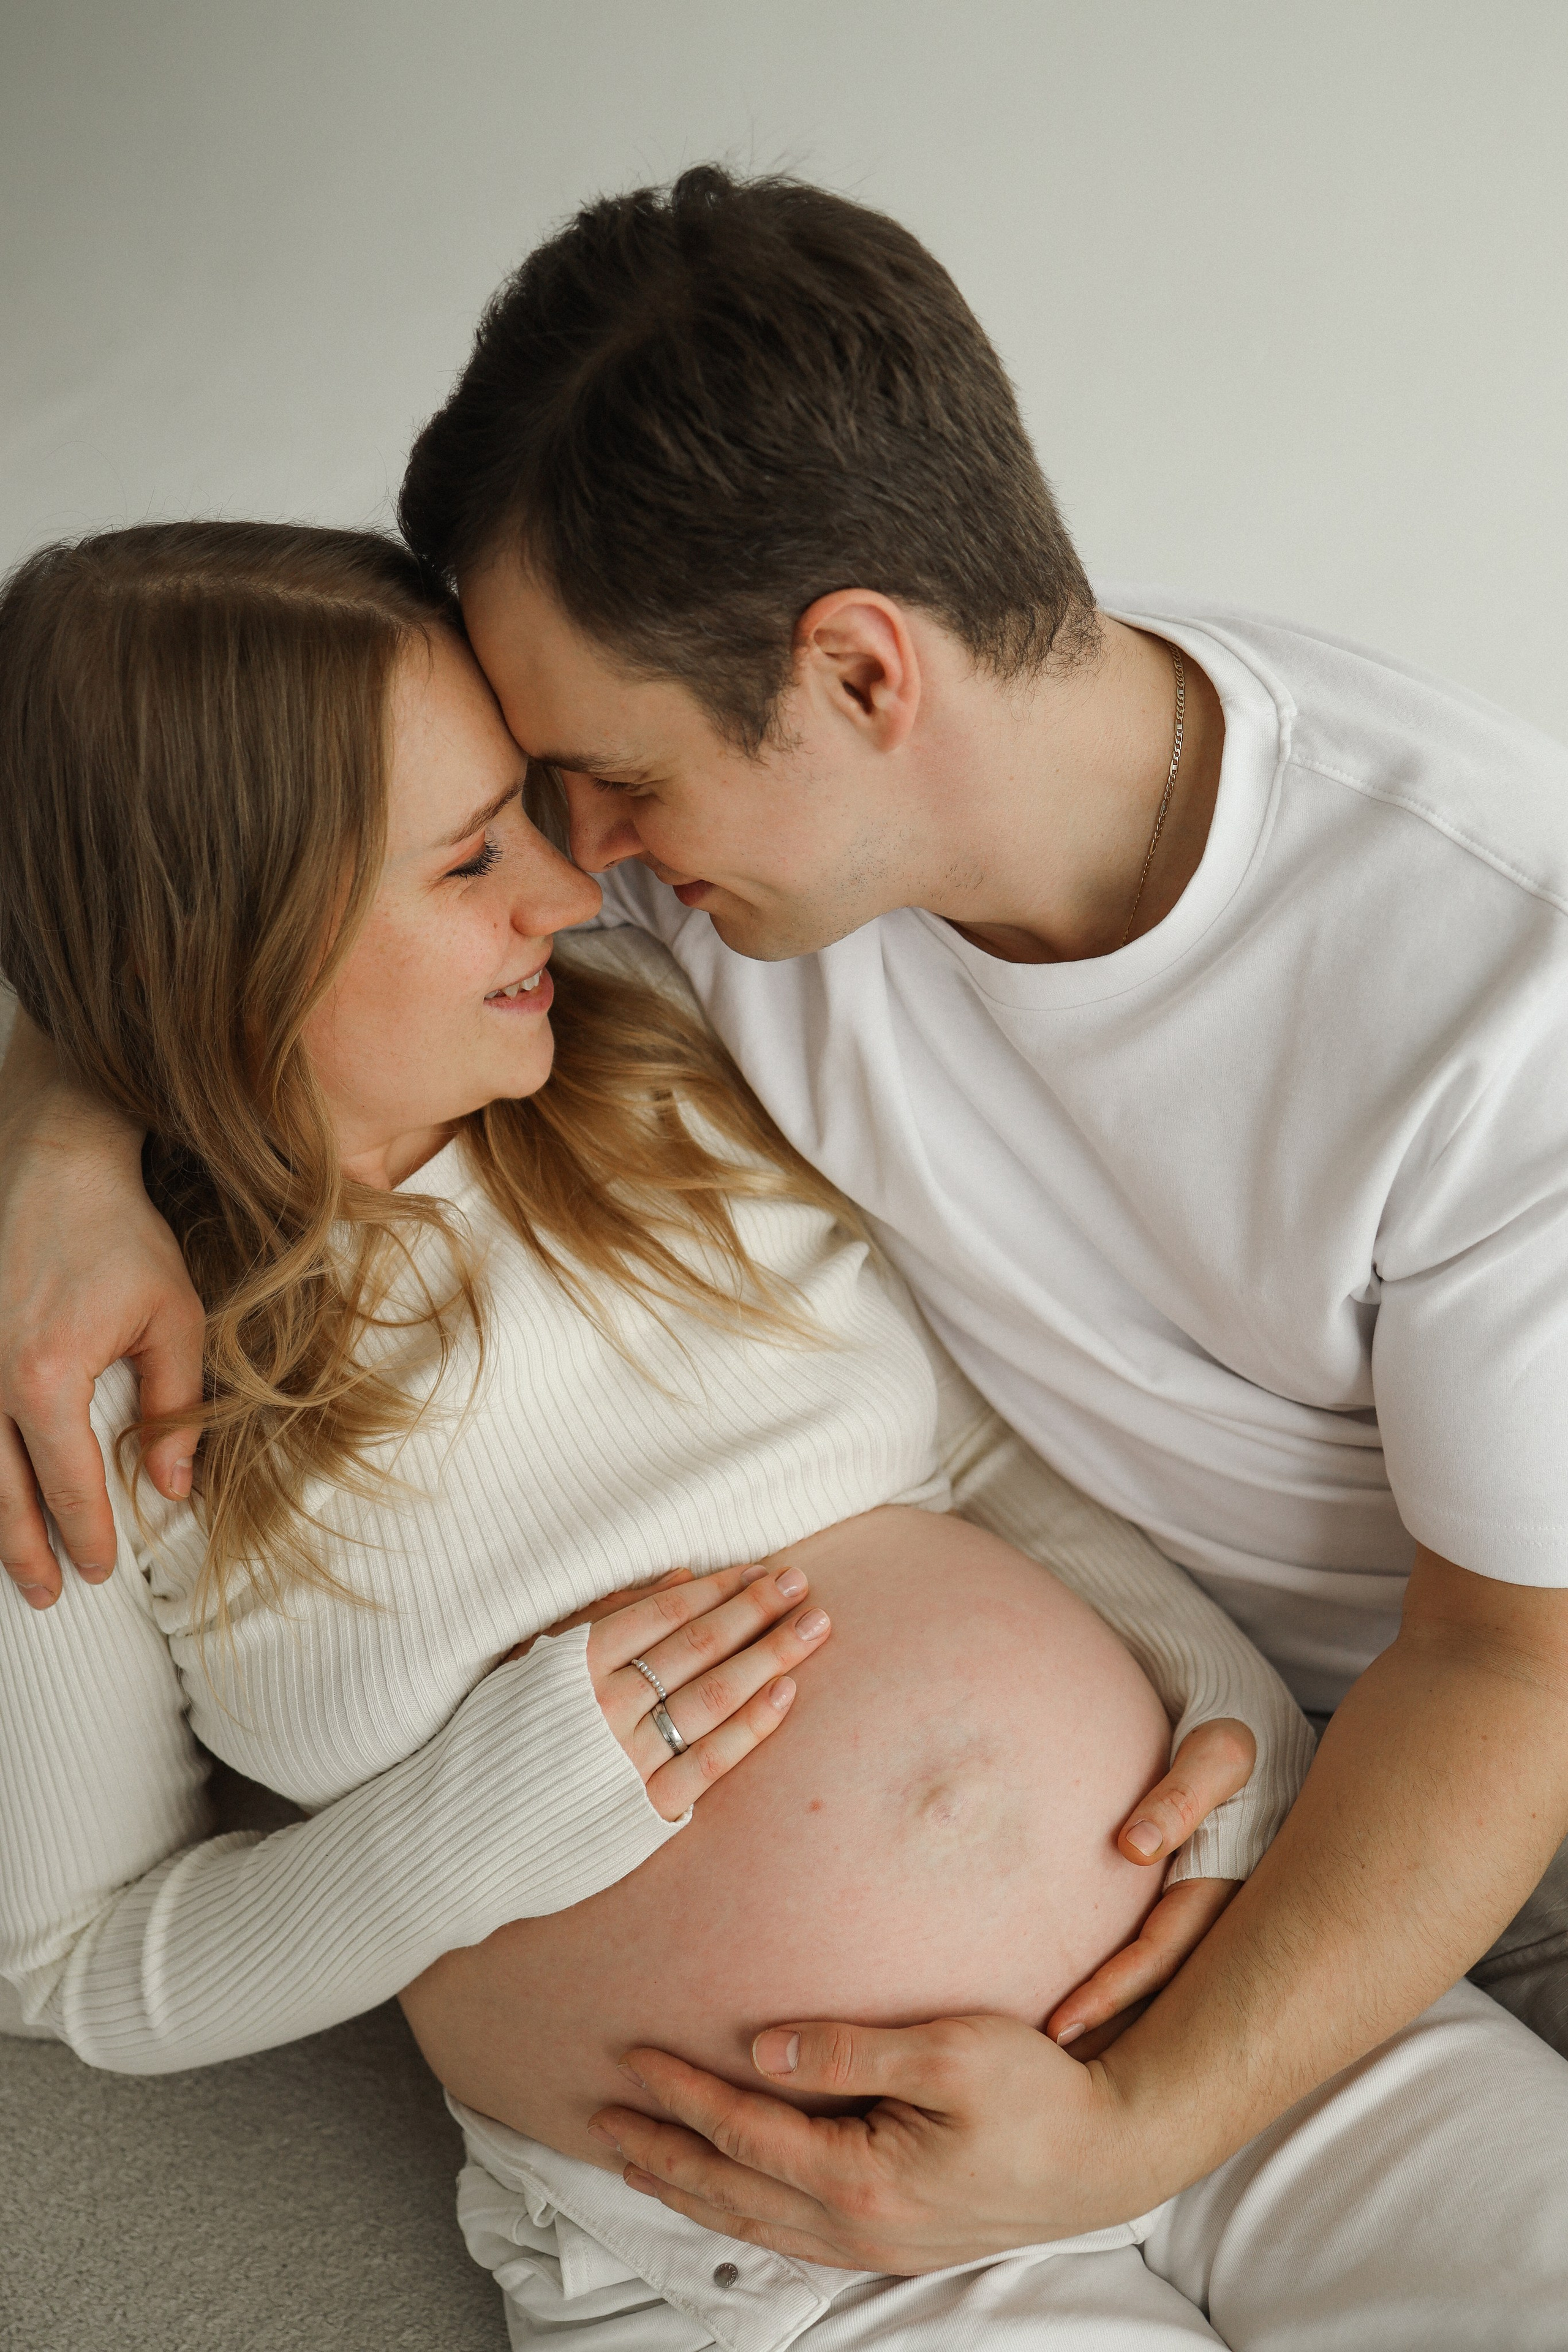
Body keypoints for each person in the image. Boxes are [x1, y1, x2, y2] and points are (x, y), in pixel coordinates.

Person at [4, 167, 1568, 2323]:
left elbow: (1506, 1669)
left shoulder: (1504, 994)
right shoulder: (683, 926)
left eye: (592, 789)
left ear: (856, 671)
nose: (577, 868)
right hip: (778, 2227)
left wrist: (1186, 1896)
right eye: (516, 824)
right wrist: (63, 1128)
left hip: (1333, 1912)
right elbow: (177, 842)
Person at [0, 520, 1324, 2350]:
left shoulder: (662, 1029)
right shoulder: (83, 1378)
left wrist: (1215, 1697)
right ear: (237, 942)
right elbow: (70, 1965)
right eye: (475, 857)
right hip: (765, 2245)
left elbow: (976, 1463)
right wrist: (454, 1843)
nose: (568, 884)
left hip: (1227, 1998)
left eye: (531, 810)